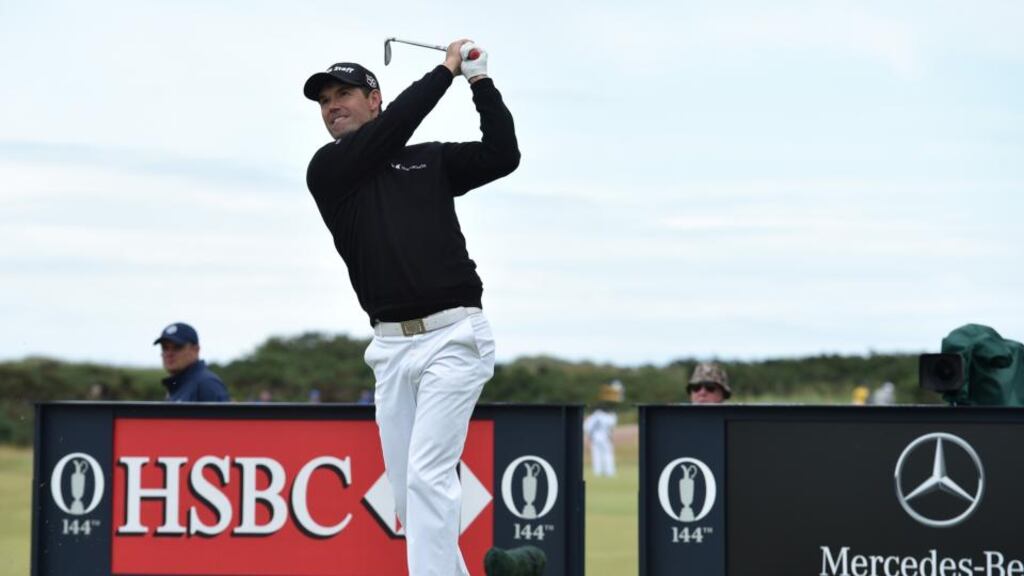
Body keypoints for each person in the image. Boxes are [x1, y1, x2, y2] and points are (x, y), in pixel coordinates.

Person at [303, 38, 519, 576]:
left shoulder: (428, 160)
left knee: (428, 480)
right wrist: (444, 70)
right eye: (325, 100)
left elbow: (502, 155)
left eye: (344, 94)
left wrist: (478, 80)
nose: (332, 106)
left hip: (454, 336)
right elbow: (396, 126)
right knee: (409, 496)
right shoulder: (328, 170)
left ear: (375, 99)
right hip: (390, 350)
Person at [153, 322, 229, 402]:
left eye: (177, 347)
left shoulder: (207, 384)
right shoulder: (178, 385)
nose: (169, 354)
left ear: (195, 350)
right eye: (165, 348)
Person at [583, 404, 617, 477]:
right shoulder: (606, 417)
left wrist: (589, 436)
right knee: (607, 454)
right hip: (605, 437)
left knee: (596, 455)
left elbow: (586, 427)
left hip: (595, 438)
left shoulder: (592, 417)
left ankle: (597, 472)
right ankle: (609, 471)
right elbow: (612, 423)